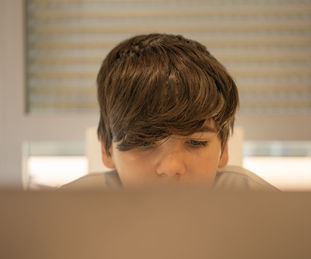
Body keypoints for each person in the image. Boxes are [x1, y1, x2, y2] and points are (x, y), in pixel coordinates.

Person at [62, 33, 277, 191]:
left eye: (196, 142)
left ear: (224, 149)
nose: (172, 167)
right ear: (107, 150)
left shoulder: (258, 203)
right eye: (145, 143)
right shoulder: (63, 213)